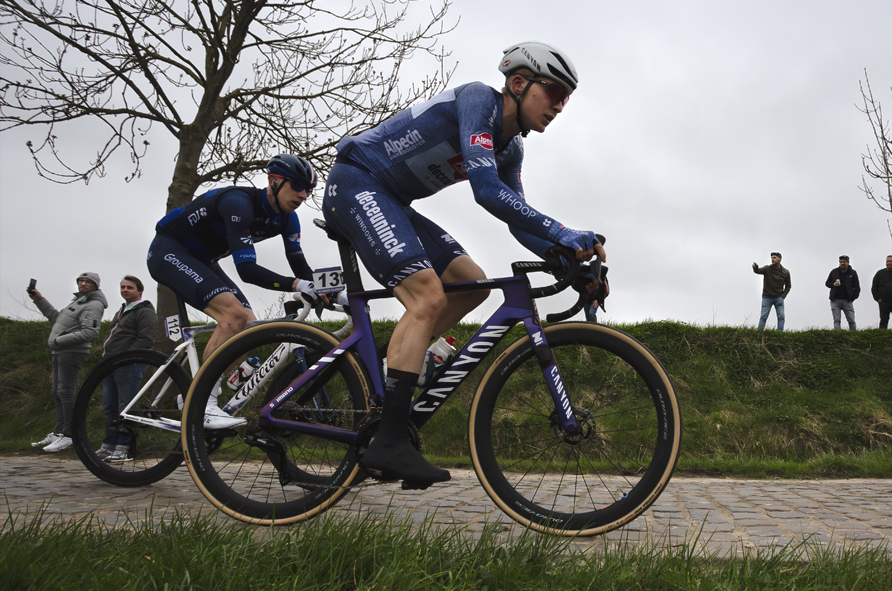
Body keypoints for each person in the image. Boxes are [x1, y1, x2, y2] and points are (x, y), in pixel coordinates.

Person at [321, 41, 605, 485]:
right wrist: (565, 233)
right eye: (553, 93)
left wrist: (567, 257)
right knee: (428, 297)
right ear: (518, 82)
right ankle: (391, 440)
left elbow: (518, 219)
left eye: (566, 99)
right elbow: (486, 191)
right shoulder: (478, 99)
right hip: (357, 182)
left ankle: (391, 377)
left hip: (391, 199)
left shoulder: (511, 150)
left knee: (471, 284)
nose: (560, 106)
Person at [146, 154, 322, 429]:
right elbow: (247, 270)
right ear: (274, 181)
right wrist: (298, 286)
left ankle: (201, 391)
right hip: (170, 250)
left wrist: (328, 292)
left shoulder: (288, 220)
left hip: (203, 260)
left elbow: (300, 266)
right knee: (233, 317)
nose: (303, 194)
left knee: (248, 326)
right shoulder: (238, 202)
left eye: (308, 190)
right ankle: (201, 402)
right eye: (297, 185)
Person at [28, 272, 108, 453]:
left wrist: (58, 341)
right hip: (61, 352)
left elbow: (91, 333)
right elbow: (57, 319)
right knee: (57, 392)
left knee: (65, 392)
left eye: (88, 281)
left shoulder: (93, 304)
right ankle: (58, 432)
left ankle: (69, 434)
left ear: (96, 286)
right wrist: (39, 299)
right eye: (81, 280)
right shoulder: (78, 302)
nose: (83, 283)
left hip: (73, 352)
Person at [94, 275, 158, 463]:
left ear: (140, 291)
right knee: (110, 406)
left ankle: (124, 447)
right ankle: (109, 444)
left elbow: (146, 339)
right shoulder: (122, 310)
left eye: (129, 287)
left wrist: (127, 357)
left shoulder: (145, 311)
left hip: (129, 364)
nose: (125, 290)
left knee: (126, 406)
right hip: (110, 364)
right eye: (122, 287)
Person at [752, 252, 791, 331]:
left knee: (781, 317)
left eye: (774, 258)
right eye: (772, 258)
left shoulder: (785, 272)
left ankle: (779, 333)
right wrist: (755, 268)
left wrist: (783, 296)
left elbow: (788, 286)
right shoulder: (767, 269)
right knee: (763, 316)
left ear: (779, 259)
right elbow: (758, 271)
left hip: (778, 297)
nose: (772, 259)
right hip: (767, 297)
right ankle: (759, 333)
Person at [824, 255, 860, 331]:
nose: (842, 263)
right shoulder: (834, 272)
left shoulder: (853, 273)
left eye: (844, 262)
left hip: (847, 300)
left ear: (848, 263)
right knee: (837, 320)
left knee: (851, 320)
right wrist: (833, 284)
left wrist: (852, 298)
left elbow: (857, 287)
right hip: (835, 300)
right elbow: (827, 283)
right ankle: (838, 336)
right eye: (841, 262)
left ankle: (853, 335)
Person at [871, 255, 892, 330]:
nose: (889, 263)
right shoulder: (880, 273)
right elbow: (874, 287)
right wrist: (878, 298)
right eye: (887, 261)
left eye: (891, 261)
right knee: (883, 321)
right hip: (884, 301)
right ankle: (882, 337)